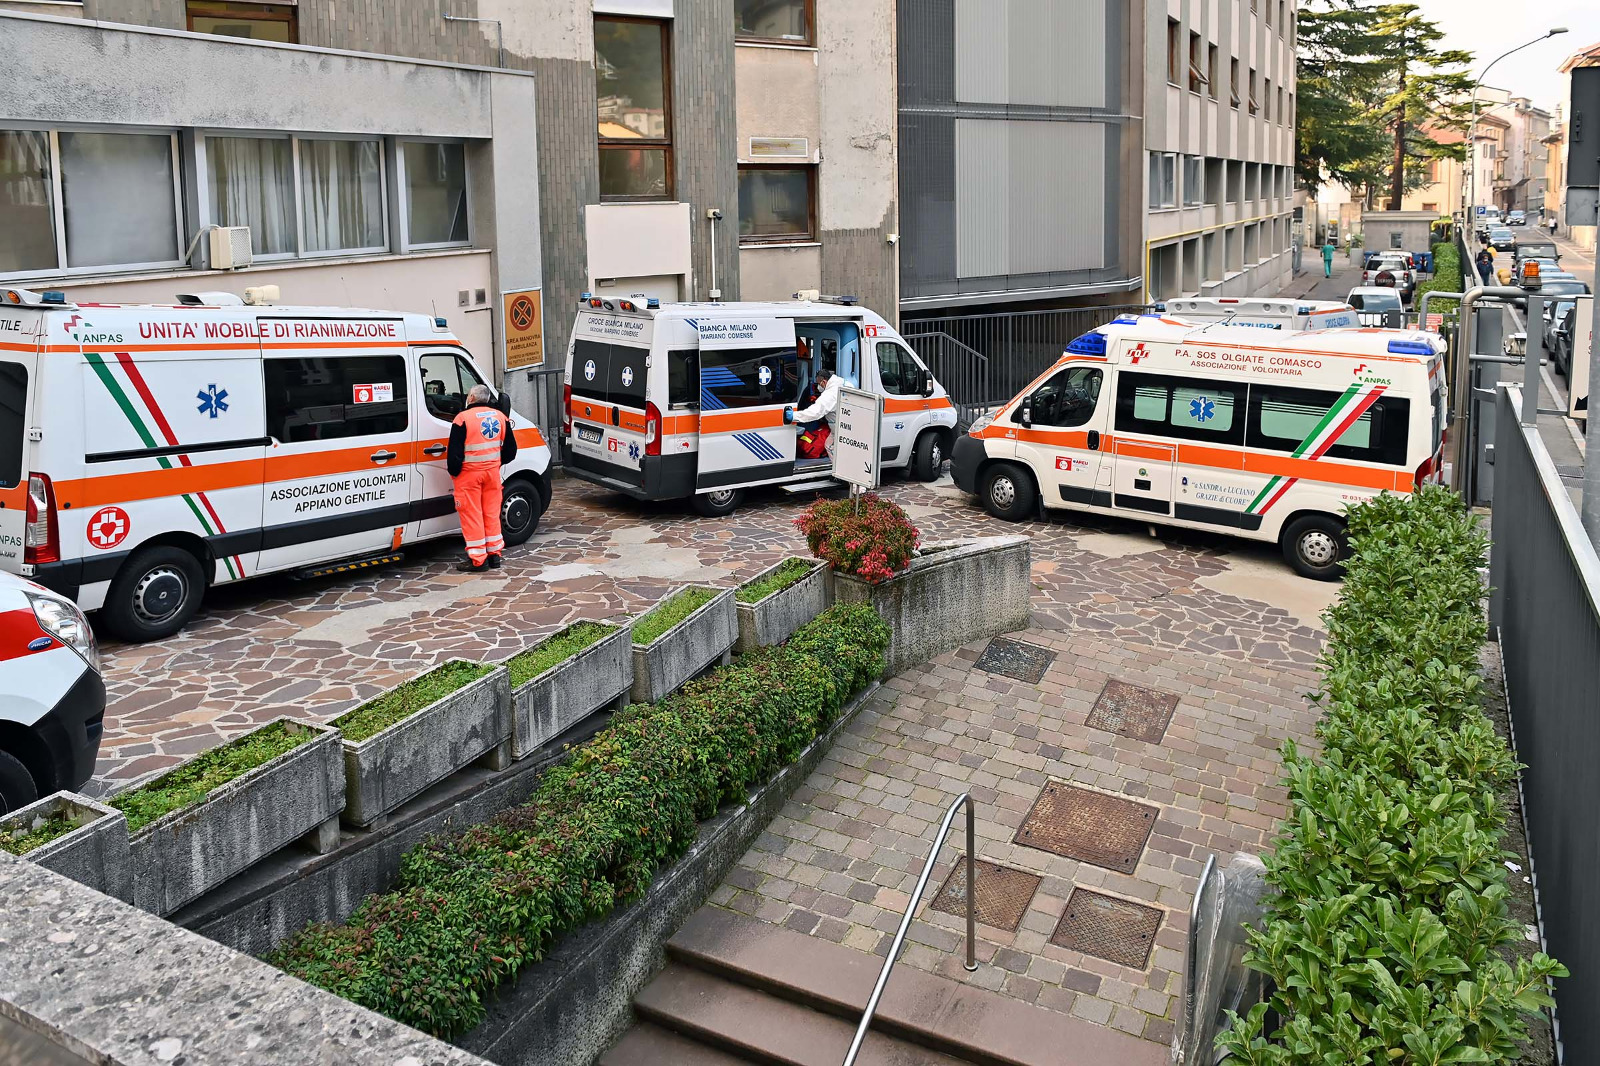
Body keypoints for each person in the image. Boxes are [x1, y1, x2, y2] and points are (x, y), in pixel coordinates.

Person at [447, 384, 518, 572]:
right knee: (491, 514)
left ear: (471, 398)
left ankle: (478, 559)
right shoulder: (501, 417)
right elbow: (511, 451)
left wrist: (455, 472)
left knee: (472, 516)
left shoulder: (462, 419)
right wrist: (495, 463)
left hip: (469, 475)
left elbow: (454, 454)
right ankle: (494, 555)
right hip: (492, 474)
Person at [793, 368, 844, 457]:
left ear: (824, 382)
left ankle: (840, 469)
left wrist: (794, 416)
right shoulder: (844, 383)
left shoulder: (829, 395)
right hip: (845, 426)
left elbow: (814, 413)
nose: (818, 387)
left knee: (830, 447)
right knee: (830, 445)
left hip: (839, 429)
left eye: (818, 384)